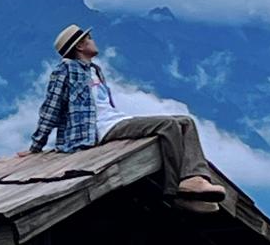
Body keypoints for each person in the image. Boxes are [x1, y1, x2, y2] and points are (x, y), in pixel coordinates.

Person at [17, 24, 226, 214]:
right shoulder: (65, 70)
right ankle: (175, 192)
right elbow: (51, 109)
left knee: (186, 122)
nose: (93, 41)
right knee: (168, 125)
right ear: (80, 46)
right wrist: (36, 146)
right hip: (99, 129)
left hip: (115, 120)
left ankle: (194, 178)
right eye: (89, 39)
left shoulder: (94, 70)